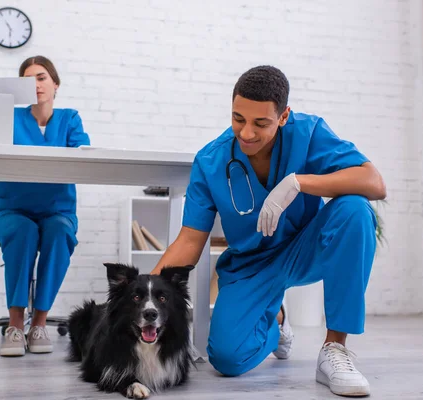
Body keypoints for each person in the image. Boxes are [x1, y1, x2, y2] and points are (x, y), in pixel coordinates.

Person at [151, 65, 386, 397]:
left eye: (261, 123)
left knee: (355, 210)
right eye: (238, 119)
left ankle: (334, 349)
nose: (246, 133)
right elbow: (190, 240)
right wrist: (143, 291)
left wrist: (298, 182)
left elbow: (374, 183)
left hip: (303, 250)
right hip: (250, 267)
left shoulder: (309, 133)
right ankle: (276, 319)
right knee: (227, 359)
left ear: (284, 116)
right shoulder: (211, 161)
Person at [0, 55, 90, 357]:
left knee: (59, 232)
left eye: (42, 77)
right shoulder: (8, 119)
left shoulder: (70, 119)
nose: (37, 85)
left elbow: (82, 155)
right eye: (28, 80)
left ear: (55, 83)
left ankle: (39, 323)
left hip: (57, 211)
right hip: (9, 209)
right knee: (23, 231)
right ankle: (15, 325)